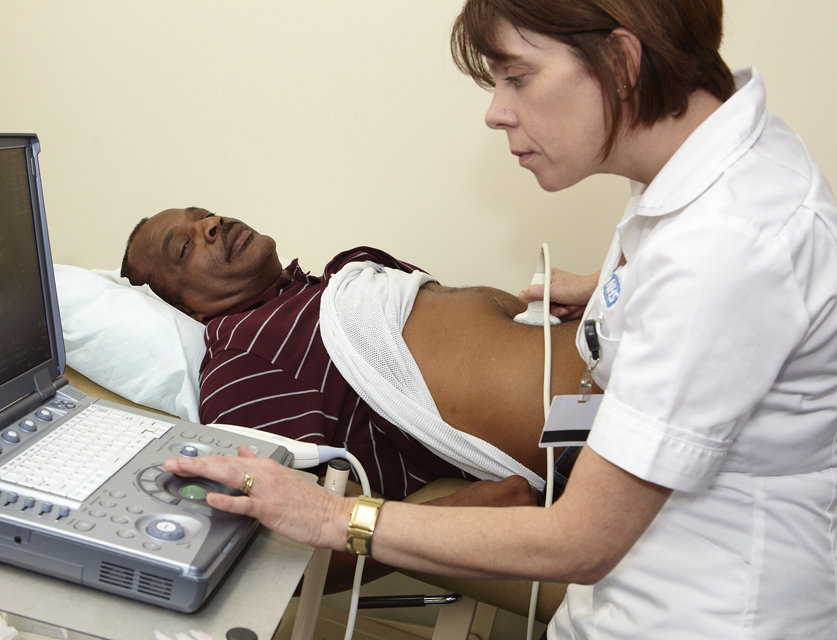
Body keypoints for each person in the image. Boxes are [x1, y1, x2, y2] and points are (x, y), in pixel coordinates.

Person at [161, 1, 837, 638]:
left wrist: (333, 515)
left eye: (517, 76)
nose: (495, 113)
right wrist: (620, 292)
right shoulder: (706, 175)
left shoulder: (728, 243)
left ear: (622, 63)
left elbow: (582, 539)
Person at [121, 208, 588, 502]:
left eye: (203, 213)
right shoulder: (242, 361)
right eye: (184, 246)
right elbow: (278, 539)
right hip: (593, 435)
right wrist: (459, 513)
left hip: (608, 356)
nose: (211, 223)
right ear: (184, 309)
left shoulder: (329, 285)